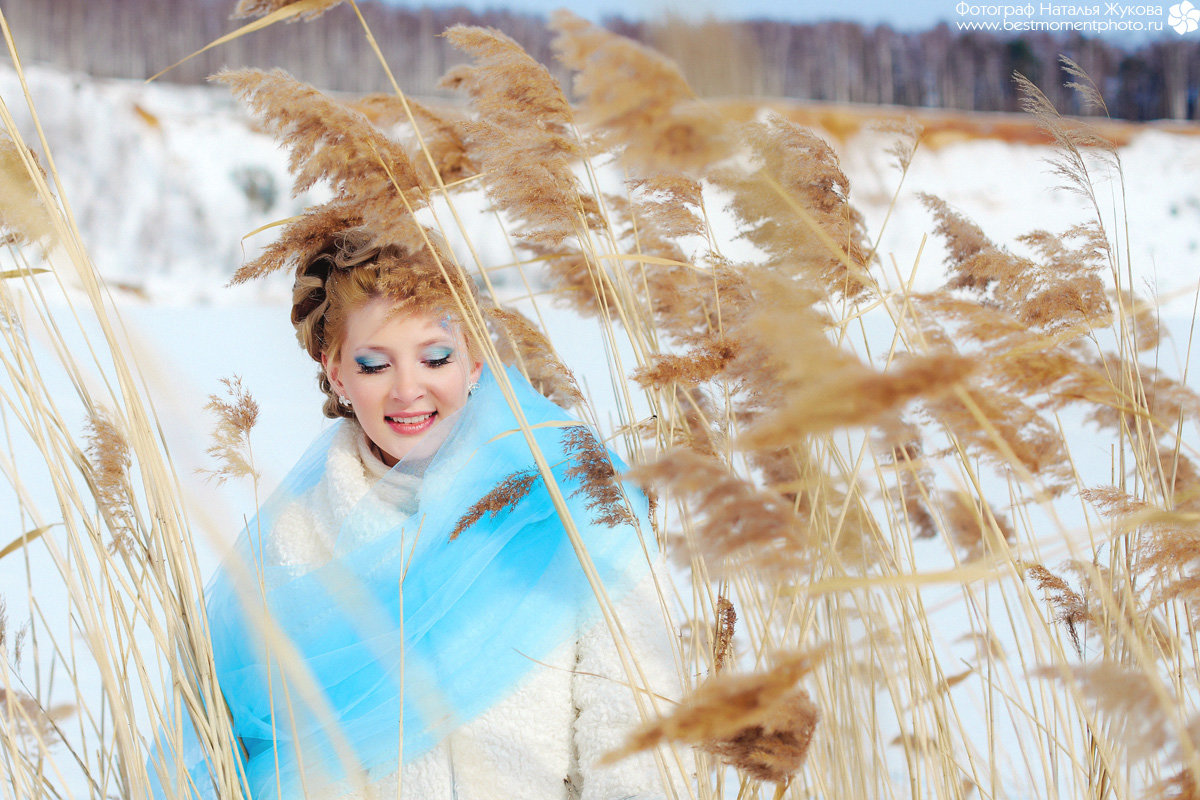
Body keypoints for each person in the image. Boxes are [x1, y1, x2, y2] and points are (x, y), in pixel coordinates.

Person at [147, 229, 683, 800]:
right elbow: (225, 745)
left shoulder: (574, 500)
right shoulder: (291, 540)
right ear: (336, 373)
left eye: (435, 357)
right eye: (375, 365)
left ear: (474, 361)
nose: (409, 390)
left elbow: (637, 724)